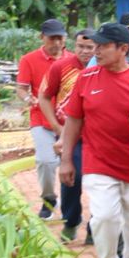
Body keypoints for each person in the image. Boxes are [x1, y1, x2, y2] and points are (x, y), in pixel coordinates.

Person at [57, 24, 129, 258]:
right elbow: (74, 119)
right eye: (94, 46)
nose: (96, 51)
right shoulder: (86, 78)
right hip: (98, 162)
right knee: (104, 218)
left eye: (103, 46)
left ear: (123, 49)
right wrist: (66, 159)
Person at [38, 30, 94, 240]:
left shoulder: (102, 67)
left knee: (99, 182)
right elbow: (44, 97)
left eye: (90, 47)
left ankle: (94, 228)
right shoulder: (61, 67)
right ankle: (71, 221)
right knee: (72, 178)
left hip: (97, 135)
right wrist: (56, 127)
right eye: (80, 46)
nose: (84, 51)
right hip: (69, 134)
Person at [16, 17, 73, 220]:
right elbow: (21, 88)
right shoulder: (29, 60)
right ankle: (49, 199)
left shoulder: (73, 60)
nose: (57, 43)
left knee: (74, 166)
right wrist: (29, 99)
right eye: (52, 38)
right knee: (45, 161)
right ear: (42, 38)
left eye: (60, 38)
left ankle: (71, 210)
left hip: (70, 123)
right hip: (41, 119)